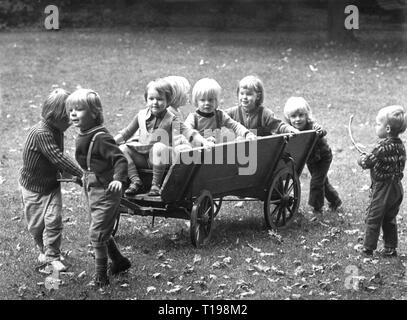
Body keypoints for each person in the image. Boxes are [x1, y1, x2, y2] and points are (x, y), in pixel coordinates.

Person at [66, 88, 131, 287]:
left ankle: (101, 276)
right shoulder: (84, 133)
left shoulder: (100, 137)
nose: (73, 114)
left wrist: (118, 179)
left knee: (96, 232)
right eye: (71, 110)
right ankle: (119, 261)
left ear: (94, 113)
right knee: (100, 227)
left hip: (106, 190)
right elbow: (89, 162)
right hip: (92, 188)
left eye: (79, 109)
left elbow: (120, 159)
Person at [19, 88, 83, 272]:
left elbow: (57, 159)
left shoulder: (56, 130)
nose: (71, 122)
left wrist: (72, 176)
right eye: (68, 119)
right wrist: (80, 173)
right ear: (54, 117)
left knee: (54, 220)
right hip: (32, 188)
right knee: (36, 226)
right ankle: (43, 250)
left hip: (51, 186)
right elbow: (57, 157)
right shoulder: (41, 133)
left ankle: (53, 255)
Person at [115, 78, 210, 197]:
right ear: (146, 100)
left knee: (158, 147)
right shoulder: (141, 115)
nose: (155, 102)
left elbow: (189, 132)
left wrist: (204, 141)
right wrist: (112, 142)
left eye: (159, 99)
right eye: (151, 98)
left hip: (163, 157)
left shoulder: (172, 119)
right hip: (144, 157)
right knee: (122, 148)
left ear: (168, 101)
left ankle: (155, 185)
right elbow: (126, 133)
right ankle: (136, 181)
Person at [357, 105, 406, 257]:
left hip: (383, 188)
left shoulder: (381, 147)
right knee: (389, 217)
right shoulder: (401, 146)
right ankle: (390, 248)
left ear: (388, 129)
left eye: (378, 124)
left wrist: (362, 159)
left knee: (374, 216)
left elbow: (366, 163)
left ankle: (368, 248)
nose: (376, 127)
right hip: (397, 188)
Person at [283, 96, 342, 216]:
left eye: (301, 115)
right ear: (289, 118)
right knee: (322, 182)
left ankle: (317, 208)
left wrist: (320, 131)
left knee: (316, 182)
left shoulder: (312, 125)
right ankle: (335, 201)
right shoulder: (290, 129)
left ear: (306, 115)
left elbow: (322, 130)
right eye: (293, 116)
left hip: (323, 157)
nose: (298, 119)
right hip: (310, 159)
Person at [184, 77, 257, 144]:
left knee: (240, 140)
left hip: (216, 152)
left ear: (217, 101)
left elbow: (235, 125)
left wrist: (247, 133)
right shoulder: (193, 118)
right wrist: (203, 141)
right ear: (196, 101)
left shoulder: (219, 115)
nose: (207, 103)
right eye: (202, 100)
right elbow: (186, 132)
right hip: (197, 153)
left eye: (210, 100)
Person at [226, 75, 298, 136]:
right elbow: (218, 116)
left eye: (249, 94)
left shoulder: (265, 114)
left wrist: (290, 130)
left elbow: (279, 126)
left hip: (262, 148)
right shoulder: (234, 112)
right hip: (242, 149)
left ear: (258, 96)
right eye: (241, 93)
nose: (244, 97)